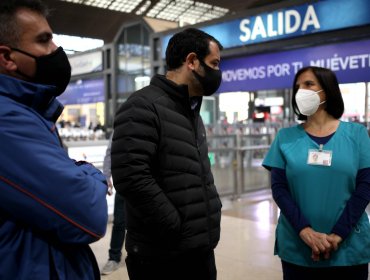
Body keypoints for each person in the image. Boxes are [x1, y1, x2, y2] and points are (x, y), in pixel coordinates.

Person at [0, 0, 108, 279]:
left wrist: (73, 173)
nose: (56, 50)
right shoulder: (7, 121)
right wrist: (89, 172)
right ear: (7, 58)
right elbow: (89, 214)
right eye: (44, 40)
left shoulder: (29, 112)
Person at [111, 28, 223, 280]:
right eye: (214, 63)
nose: (218, 72)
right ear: (192, 61)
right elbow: (131, 177)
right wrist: (175, 225)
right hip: (161, 257)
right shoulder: (143, 106)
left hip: (198, 250)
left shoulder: (191, 110)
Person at [263, 66, 370, 279]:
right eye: (297, 87)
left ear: (327, 90)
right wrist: (305, 231)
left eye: (309, 84)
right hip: (298, 245)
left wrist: (338, 234)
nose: (300, 91)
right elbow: (279, 189)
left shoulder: (357, 134)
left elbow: (365, 186)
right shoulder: (285, 137)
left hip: (348, 246)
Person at [101, 133, 126, 275]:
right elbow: (111, 151)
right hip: (125, 180)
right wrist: (106, 176)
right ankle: (114, 258)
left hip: (149, 180)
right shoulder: (121, 123)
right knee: (120, 221)